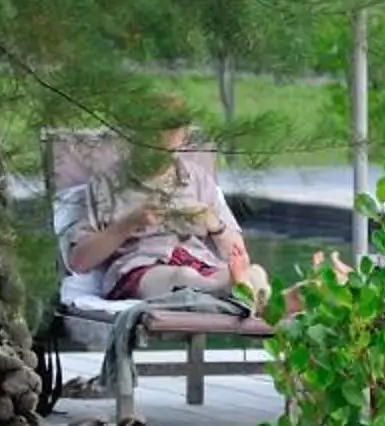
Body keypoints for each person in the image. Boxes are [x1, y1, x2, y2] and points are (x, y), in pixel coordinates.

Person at [64, 118, 265, 310]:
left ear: (182, 137)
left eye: (170, 138)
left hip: (200, 265)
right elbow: (79, 261)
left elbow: (239, 255)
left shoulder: (198, 180)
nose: (160, 145)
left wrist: (214, 224)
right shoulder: (106, 185)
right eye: (152, 138)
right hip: (141, 269)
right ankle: (229, 293)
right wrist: (129, 223)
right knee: (182, 277)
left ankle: (230, 290)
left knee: (255, 274)